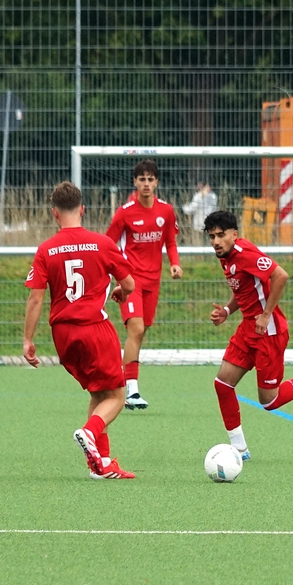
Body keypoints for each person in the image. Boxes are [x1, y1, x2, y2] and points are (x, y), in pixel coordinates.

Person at [205, 210, 293, 460]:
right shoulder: (226, 256)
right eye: (212, 236)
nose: (216, 241)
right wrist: (226, 310)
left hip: (268, 332)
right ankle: (240, 450)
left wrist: (266, 314)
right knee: (222, 384)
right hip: (248, 328)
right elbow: (245, 289)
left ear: (234, 234)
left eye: (221, 235)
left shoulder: (245, 253)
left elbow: (280, 275)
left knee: (269, 401)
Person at [24, 181, 136, 480]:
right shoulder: (102, 243)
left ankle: (101, 464)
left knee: (99, 392)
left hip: (63, 334)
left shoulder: (46, 249)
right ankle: (89, 432)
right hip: (94, 328)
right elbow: (129, 284)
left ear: (54, 212)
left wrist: (27, 340)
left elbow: (35, 298)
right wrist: (121, 291)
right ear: (82, 209)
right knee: (118, 395)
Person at [105, 159, 182, 410]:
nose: (146, 184)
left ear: (156, 182)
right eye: (142, 179)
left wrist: (174, 263)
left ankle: (122, 374)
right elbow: (108, 244)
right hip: (130, 280)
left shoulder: (166, 211)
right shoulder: (125, 212)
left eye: (150, 179)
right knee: (136, 329)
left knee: (141, 331)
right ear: (135, 182)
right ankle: (131, 390)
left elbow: (170, 241)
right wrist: (115, 273)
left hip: (153, 281)